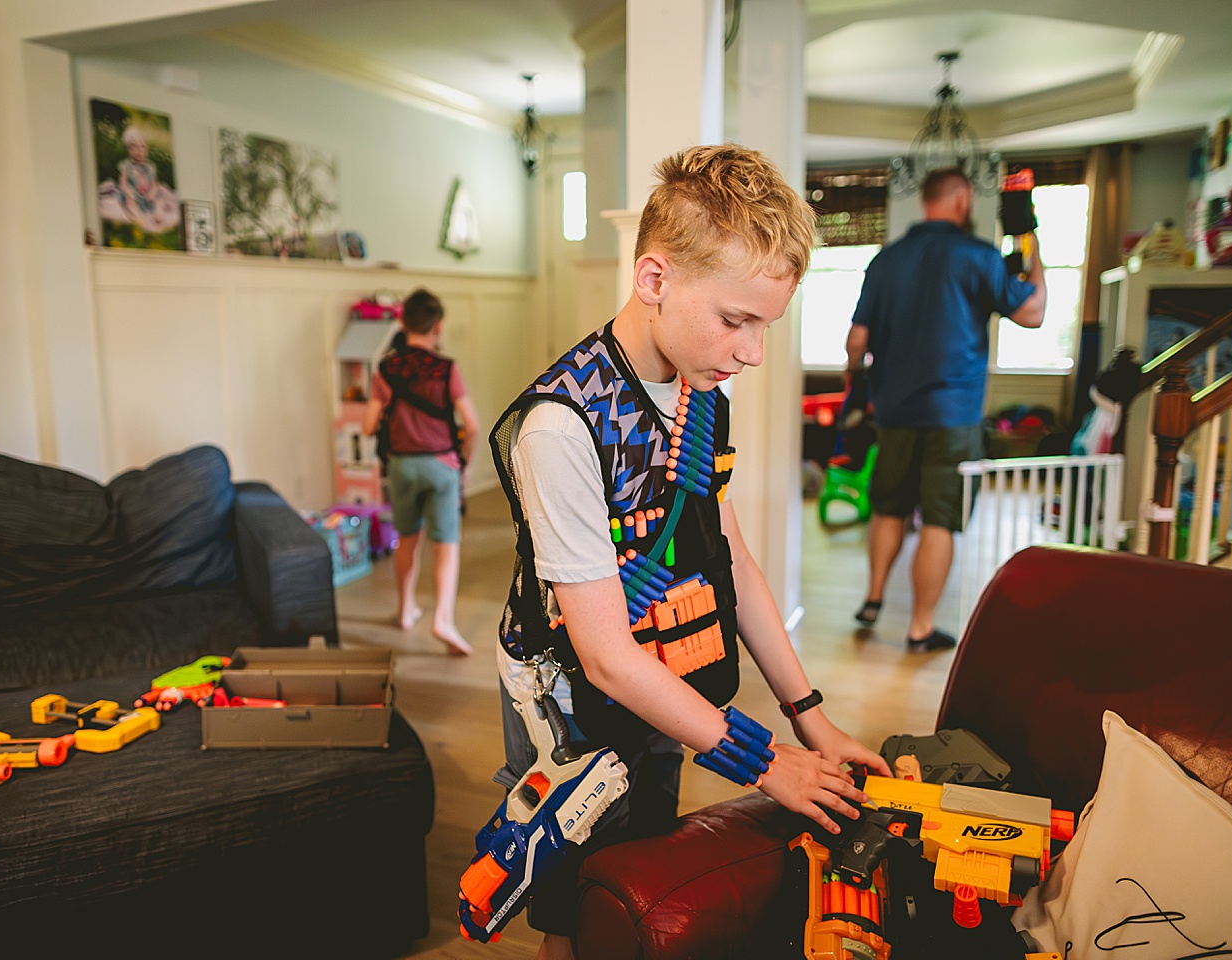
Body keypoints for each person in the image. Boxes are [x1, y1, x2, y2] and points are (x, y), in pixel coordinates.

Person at [488, 144, 891, 960]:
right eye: (736, 320)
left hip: (664, 680)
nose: (752, 353)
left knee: (636, 877)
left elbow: (728, 556)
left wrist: (808, 717)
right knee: (575, 905)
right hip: (570, 704)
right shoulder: (562, 428)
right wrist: (765, 761)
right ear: (654, 280)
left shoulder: (699, 389)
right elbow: (602, 657)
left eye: (765, 325)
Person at [845, 166, 1045, 651]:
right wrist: (1033, 245)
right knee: (939, 519)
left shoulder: (887, 259)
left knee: (888, 508)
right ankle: (920, 627)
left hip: (893, 410)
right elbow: (1033, 313)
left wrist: (860, 383)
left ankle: (872, 599)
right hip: (952, 414)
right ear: (961, 199)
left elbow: (857, 340)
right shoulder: (978, 256)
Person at [362, 288, 479, 656]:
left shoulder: (386, 368)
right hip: (441, 463)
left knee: (406, 539)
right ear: (438, 326)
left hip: (401, 465)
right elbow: (472, 426)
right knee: (446, 546)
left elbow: (367, 427)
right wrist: (463, 462)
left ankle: (405, 608)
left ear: (402, 322)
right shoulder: (446, 369)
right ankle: (442, 618)